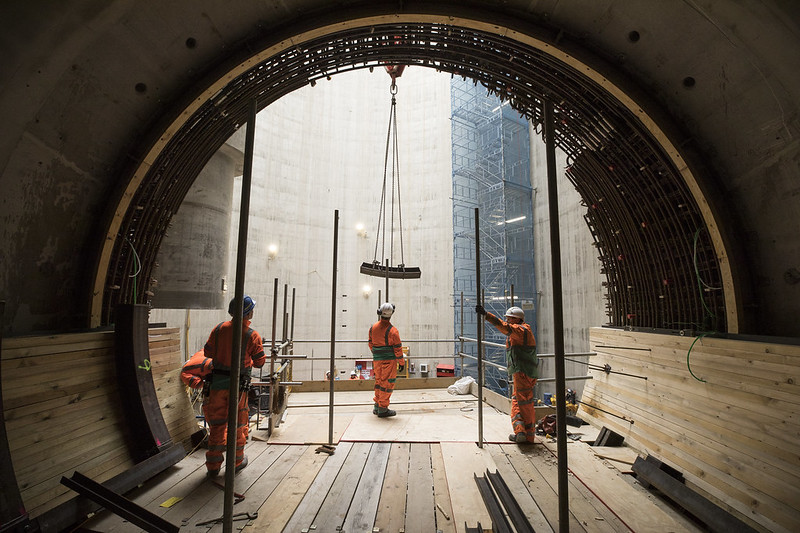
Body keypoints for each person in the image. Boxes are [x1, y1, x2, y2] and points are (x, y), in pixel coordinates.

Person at [202, 295, 266, 477]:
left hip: (216, 386)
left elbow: (207, 352)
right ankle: (237, 462)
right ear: (247, 312)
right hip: (237, 388)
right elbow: (260, 362)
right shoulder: (251, 335)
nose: (253, 311)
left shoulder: (219, 329)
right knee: (238, 425)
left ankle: (213, 466)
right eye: (251, 308)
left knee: (217, 425)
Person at [476, 304, 539, 443]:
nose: (508, 321)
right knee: (525, 403)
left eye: (510, 319)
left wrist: (486, 315)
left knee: (518, 402)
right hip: (527, 372)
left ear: (517, 319)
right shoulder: (524, 330)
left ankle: (521, 432)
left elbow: (504, 327)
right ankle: (528, 435)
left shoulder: (520, 331)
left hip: (522, 372)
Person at [368, 302, 404, 417]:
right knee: (387, 384)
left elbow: (370, 343)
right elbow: (398, 349)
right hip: (389, 362)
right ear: (391, 314)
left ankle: (377, 406)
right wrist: (401, 362)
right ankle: (383, 409)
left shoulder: (373, 328)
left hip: (377, 361)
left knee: (378, 382)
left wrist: (377, 354)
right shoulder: (393, 331)